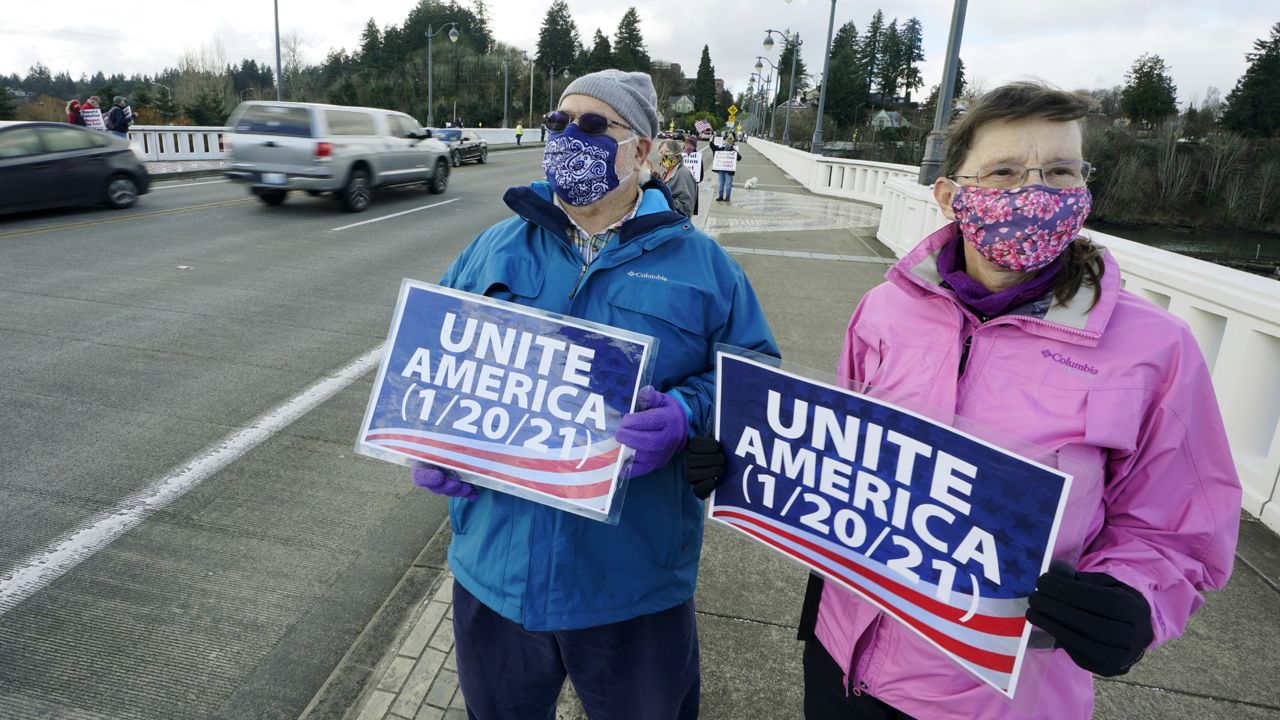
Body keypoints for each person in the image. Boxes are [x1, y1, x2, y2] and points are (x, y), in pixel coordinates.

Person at [787, 82, 1241, 719]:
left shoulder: (1156, 350)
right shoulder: (885, 309)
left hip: (996, 697)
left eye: (1059, 170)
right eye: (1004, 172)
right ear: (950, 196)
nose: (1036, 192)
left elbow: (1178, 528)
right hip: (843, 655)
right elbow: (837, 447)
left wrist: (1133, 595)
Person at [412, 68, 779, 719]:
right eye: (558, 124)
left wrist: (687, 414)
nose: (567, 138)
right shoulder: (492, 249)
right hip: (496, 573)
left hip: (631, 587)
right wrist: (427, 434)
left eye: (592, 125)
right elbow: (431, 358)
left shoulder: (704, 268)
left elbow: (756, 386)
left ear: (643, 149)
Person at [656, 138, 696, 217]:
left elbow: (686, 207)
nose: (663, 155)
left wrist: (660, 199)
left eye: (667, 152)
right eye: (661, 152)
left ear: (676, 154)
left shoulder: (682, 174)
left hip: (675, 223)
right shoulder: (665, 173)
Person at [708, 134, 741, 202]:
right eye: (726, 143)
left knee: (728, 184)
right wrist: (711, 141)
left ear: (731, 144)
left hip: (729, 171)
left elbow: (739, 158)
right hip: (721, 170)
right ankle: (720, 196)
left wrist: (735, 153)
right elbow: (714, 148)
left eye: (728, 143)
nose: (727, 145)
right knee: (721, 184)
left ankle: (727, 197)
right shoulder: (722, 149)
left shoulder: (733, 150)